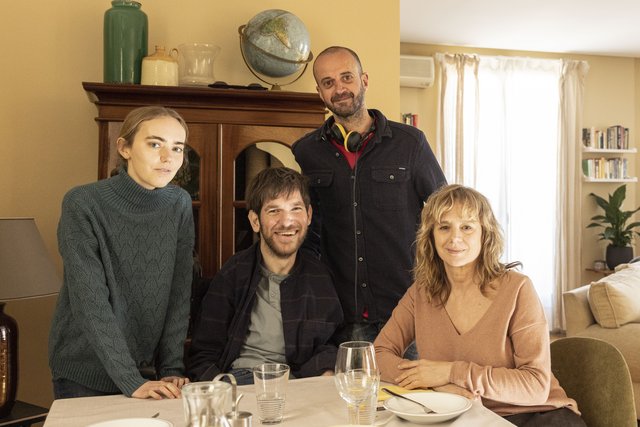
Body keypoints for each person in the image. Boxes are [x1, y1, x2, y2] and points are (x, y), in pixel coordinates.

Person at [374, 184, 586, 426]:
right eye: (444, 227)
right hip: (462, 415)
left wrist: (452, 372)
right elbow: (378, 355)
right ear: (430, 236)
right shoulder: (419, 294)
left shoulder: (518, 289)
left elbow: (536, 386)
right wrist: (437, 383)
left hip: (538, 415)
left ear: (485, 234)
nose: (455, 238)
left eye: (467, 227)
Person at [292, 46, 446, 347]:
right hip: (339, 316)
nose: (339, 89)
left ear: (364, 80)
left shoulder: (411, 143)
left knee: (408, 395)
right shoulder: (306, 152)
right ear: (320, 92)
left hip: (406, 310)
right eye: (328, 82)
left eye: (346, 77)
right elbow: (307, 231)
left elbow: (445, 211)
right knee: (348, 395)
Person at [49, 106, 195, 400]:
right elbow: (89, 302)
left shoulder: (179, 203)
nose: (168, 158)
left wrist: (171, 367)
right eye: (155, 144)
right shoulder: (82, 203)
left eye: (177, 148)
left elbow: (178, 294)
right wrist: (130, 380)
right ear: (124, 147)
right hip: (85, 371)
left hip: (147, 373)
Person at [187, 167, 343, 385]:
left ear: (308, 216)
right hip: (241, 379)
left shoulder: (320, 278)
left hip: (298, 382)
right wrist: (221, 385)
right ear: (254, 220)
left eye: (295, 209)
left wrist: (326, 371)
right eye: (273, 211)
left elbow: (333, 342)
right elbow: (203, 351)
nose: (287, 222)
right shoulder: (234, 273)